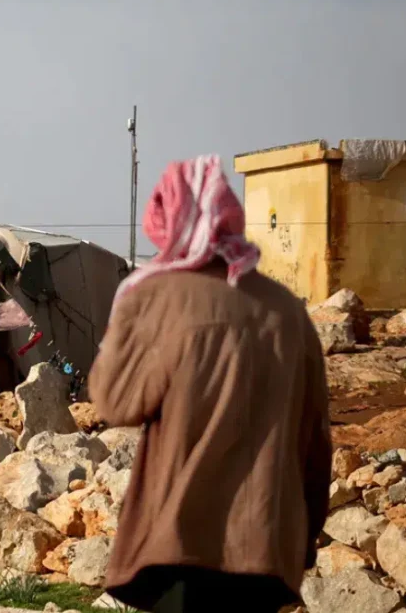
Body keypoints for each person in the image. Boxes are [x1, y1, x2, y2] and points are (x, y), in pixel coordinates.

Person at [88, 155, 332, 613]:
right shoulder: (288, 312)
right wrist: (304, 532)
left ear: (166, 218)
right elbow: (316, 440)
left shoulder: (159, 297)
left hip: (181, 545)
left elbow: (116, 401)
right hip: (265, 545)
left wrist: (127, 313)